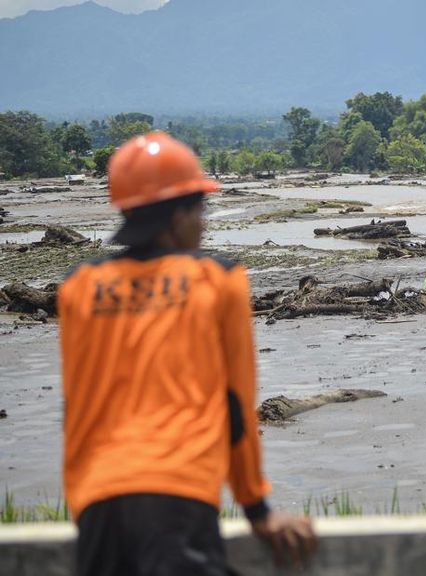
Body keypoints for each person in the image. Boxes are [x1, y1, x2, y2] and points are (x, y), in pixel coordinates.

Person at [59, 132, 316, 575]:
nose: (204, 223)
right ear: (178, 214)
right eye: (201, 209)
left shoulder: (78, 286)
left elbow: (75, 407)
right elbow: (235, 405)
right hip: (178, 498)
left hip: (96, 505)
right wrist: (257, 508)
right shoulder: (218, 280)